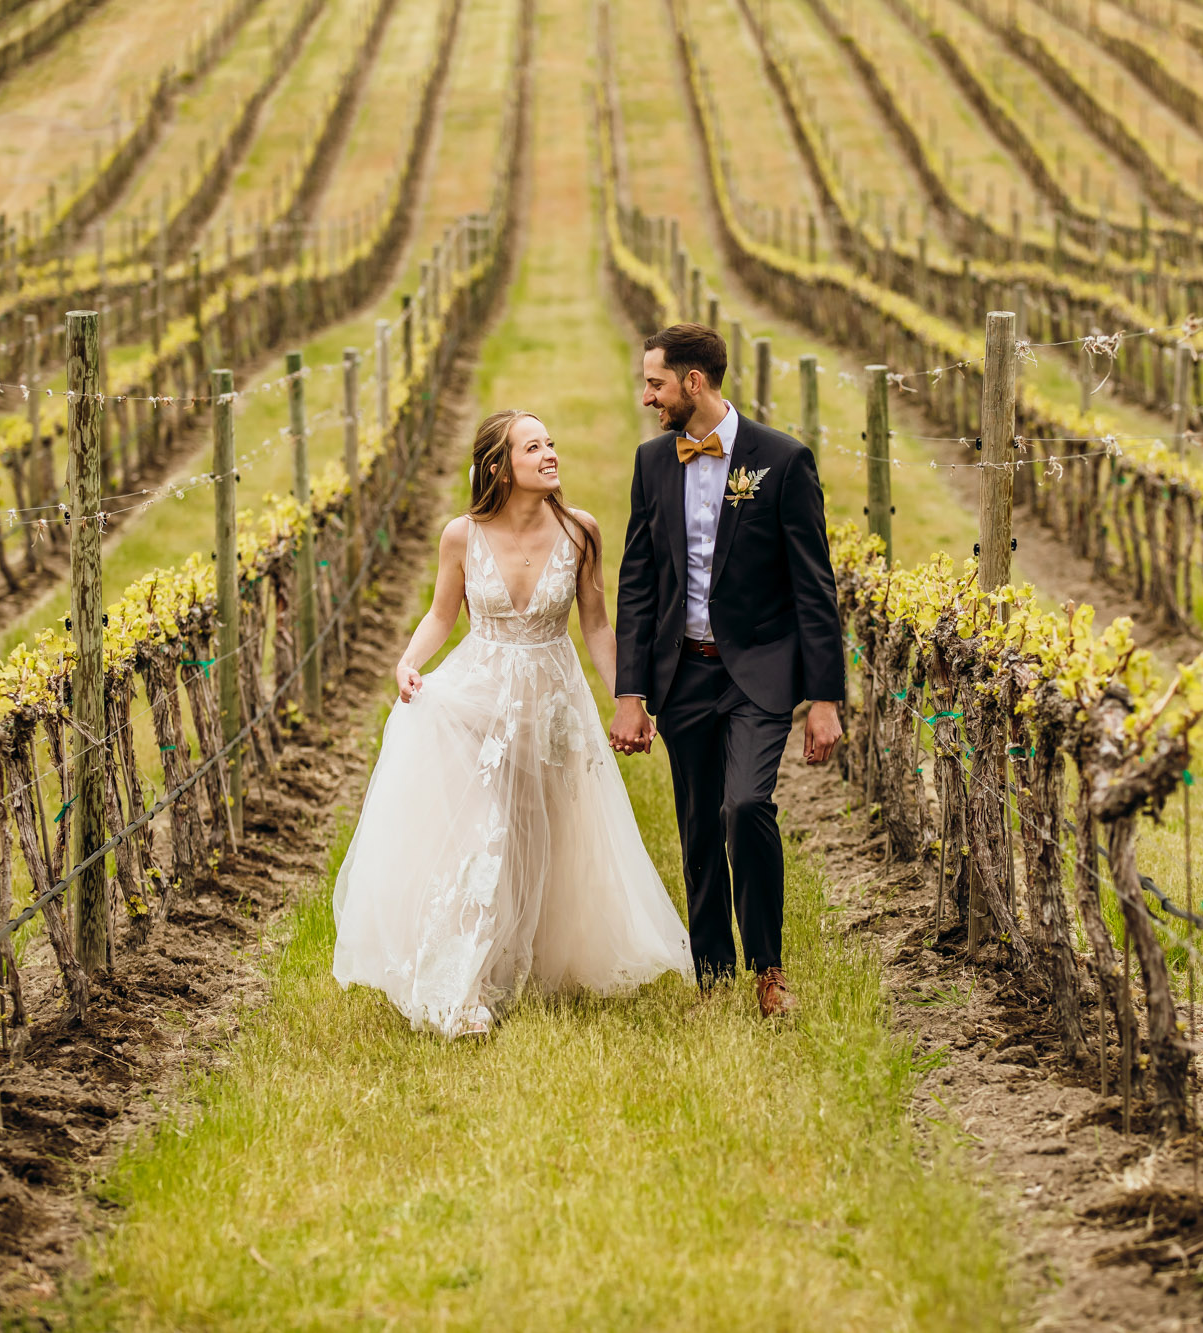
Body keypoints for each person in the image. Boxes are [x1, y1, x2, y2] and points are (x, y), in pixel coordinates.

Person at [331, 410, 692, 1037]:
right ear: (499, 467)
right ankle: (467, 982)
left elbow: (598, 627)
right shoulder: (460, 536)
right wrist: (409, 664)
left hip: (554, 702)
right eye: (534, 447)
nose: (551, 454)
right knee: (485, 834)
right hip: (480, 697)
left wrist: (625, 699)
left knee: (552, 831)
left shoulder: (581, 532)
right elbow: (442, 617)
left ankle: (553, 961)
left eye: (552, 442)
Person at [610, 323, 844, 1019]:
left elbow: (814, 587)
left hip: (759, 672)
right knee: (697, 822)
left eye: (655, 383)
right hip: (684, 673)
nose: (647, 397)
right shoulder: (652, 463)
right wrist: (632, 693)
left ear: (694, 383)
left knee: (745, 805)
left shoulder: (783, 460)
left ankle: (768, 968)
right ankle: (713, 971)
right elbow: (639, 584)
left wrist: (825, 699)